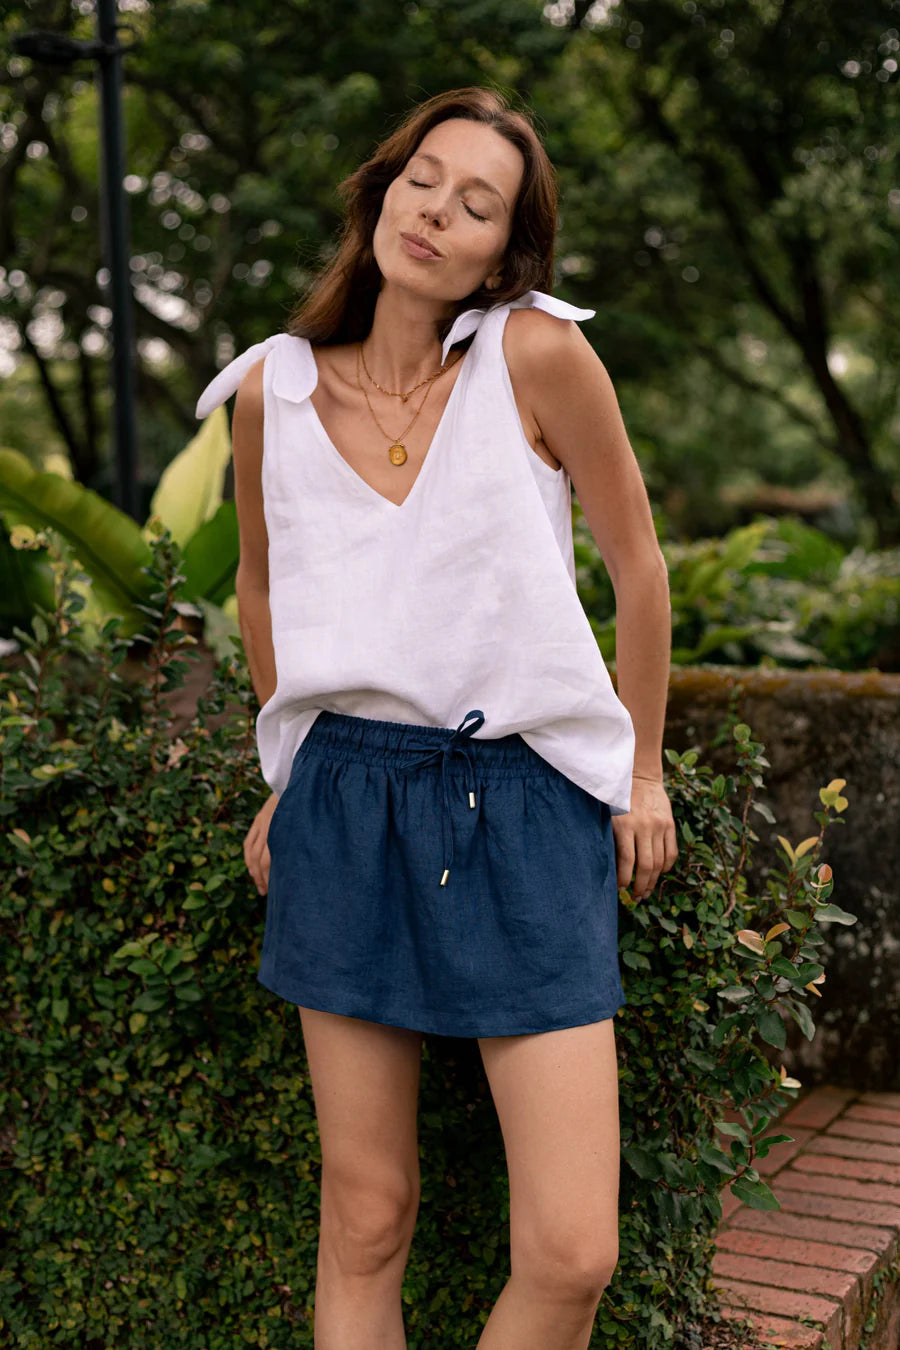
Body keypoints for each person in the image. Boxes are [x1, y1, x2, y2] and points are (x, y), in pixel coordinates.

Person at [195, 86, 677, 1350]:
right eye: (425, 177)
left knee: (574, 1249)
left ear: (501, 250)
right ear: (381, 189)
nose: (437, 211)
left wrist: (643, 776)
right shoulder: (270, 392)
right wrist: (287, 767)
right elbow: (259, 583)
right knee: (366, 1216)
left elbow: (640, 568)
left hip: (522, 797)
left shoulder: (537, 354)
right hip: (346, 803)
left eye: (478, 204)